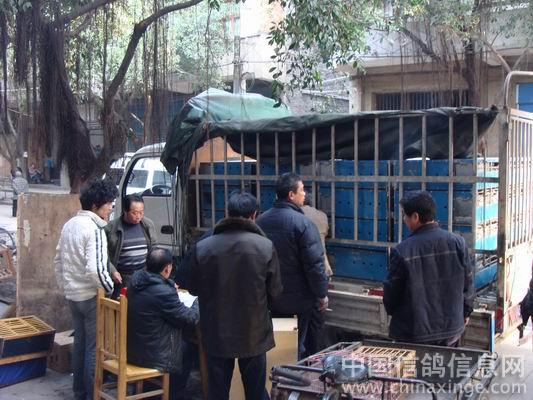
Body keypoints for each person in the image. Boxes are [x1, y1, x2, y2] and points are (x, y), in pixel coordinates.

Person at [188, 191, 282, 400]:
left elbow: (193, 288)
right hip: (254, 332)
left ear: (227, 213)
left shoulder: (203, 247)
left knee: (217, 391)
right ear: (254, 215)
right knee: (255, 391)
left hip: (216, 331)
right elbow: (275, 292)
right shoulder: (265, 246)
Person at [383, 190, 475, 347]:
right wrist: (466, 312)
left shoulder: (403, 251)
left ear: (415, 217)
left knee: (419, 364)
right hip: (452, 330)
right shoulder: (458, 243)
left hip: (414, 334)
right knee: (446, 363)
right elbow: (469, 284)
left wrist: (395, 314)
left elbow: (391, 295)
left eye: (405, 215)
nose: (403, 219)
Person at [54, 178, 118, 400]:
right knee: (93, 348)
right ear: (95, 205)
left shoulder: (70, 224)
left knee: (81, 344)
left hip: (74, 296)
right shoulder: (95, 228)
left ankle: (79, 393)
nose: (111, 207)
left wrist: (66, 286)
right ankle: (92, 395)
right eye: (109, 203)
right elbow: (95, 269)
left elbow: (58, 261)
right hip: (90, 297)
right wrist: (109, 288)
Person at [256, 173, 329, 360]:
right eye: (302, 190)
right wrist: (321, 294)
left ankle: (275, 373)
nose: (305, 194)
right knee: (296, 345)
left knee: (275, 343)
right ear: (291, 195)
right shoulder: (303, 224)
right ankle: (291, 374)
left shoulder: (260, 221)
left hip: (269, 297)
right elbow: (314, 265)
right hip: (299, 301)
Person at [127, 247, 199, 399]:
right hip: (154, 355)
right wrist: (198, 301)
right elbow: (189, 319)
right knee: (189, 347)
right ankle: (172, 394)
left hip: (133, 349)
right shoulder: (163, 293)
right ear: (167, 268)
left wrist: (168, 284)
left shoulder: (135, 281)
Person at [105, 194, 157, 298]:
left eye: (141, 212)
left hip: (143, 275)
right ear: (125, 210)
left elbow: (154, 248)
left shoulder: (147, 225)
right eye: (134, 213)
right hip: (122, 278)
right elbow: (103, 255)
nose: (138, 216)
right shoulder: (111, 228)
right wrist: (112, 271)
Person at [518, 264, 533, 339]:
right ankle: (522, 329)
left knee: (524, 321)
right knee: (523, 320)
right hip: (529, 304)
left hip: (528, 304)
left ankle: (522, 328)